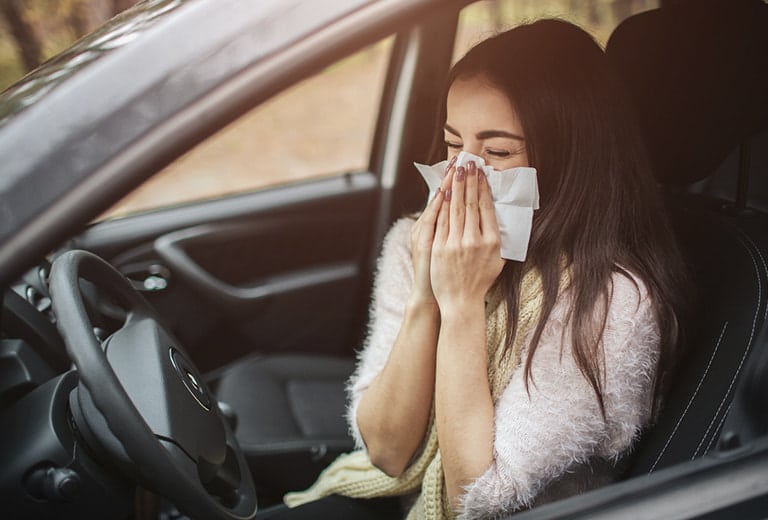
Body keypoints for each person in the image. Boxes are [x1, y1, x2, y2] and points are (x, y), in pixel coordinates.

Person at [258, 18, 687, 520]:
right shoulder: (414, 242)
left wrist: (461, 305)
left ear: (571, 160)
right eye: (453, 144)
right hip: (400, 500)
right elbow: (387, 450)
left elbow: (477, 499)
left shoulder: (610, 302)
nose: (464, 172)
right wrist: (427, 291)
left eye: (498, 151)